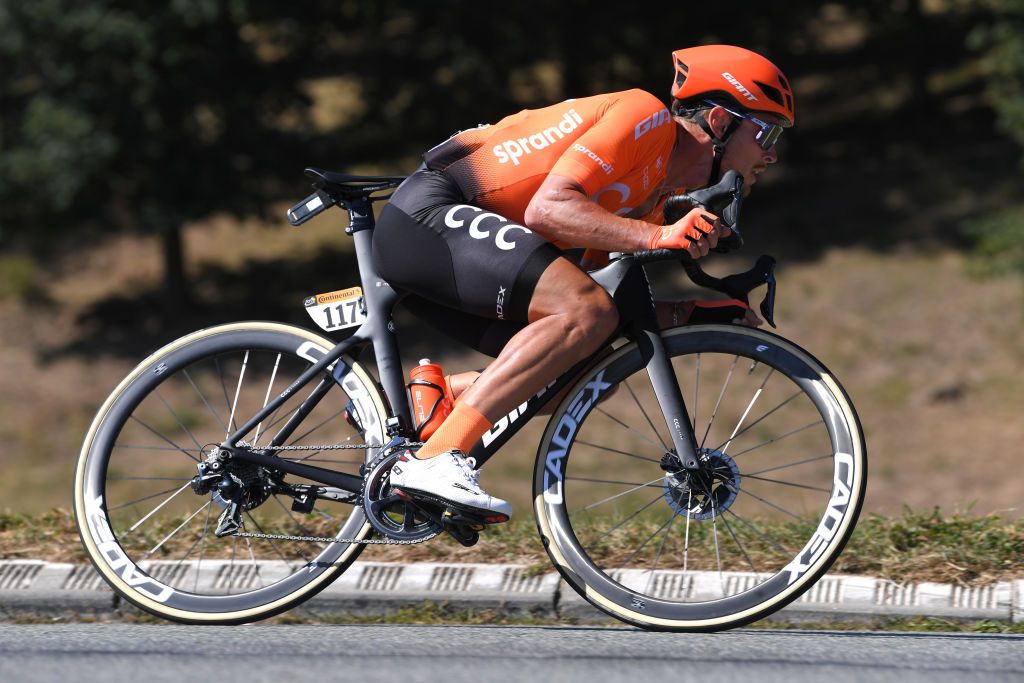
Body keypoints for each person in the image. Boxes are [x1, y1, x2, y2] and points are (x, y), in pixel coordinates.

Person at [372, 45, 795, 521]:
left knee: (585, 373)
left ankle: (435, 400)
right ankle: (435, 461)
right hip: (428, 216)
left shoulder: (657, 191)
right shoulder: (646, 118)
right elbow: (548, 210)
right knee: (584, 312)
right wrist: (660, 234)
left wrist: (696, 314)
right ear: (720, 121)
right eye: (767, 132)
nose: (773, 153)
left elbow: (607, 297)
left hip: (459, 248)